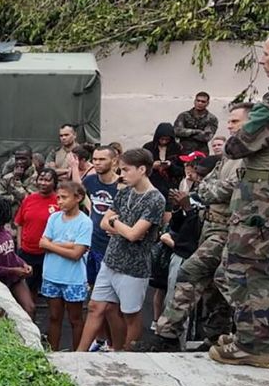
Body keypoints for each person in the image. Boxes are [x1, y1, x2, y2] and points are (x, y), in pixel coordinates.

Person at [147, 104, 251, 352]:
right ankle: (216, 337)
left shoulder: (253, 156)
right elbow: (211, 182)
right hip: (210, 225)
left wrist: (205, 191)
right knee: (214, 287)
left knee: (192, 272)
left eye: (235, 121)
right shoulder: (230, 153)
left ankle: (167, 336)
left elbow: (226, 188)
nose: (229, 125)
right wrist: (206, 190)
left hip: (231, 229)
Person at [209, 35, 269, 368]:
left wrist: (238, 133)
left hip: (260, 203)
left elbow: (237, 147)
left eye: (266, 53)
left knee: (246, 269)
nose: (262, 60)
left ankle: (254, 345)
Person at [78, 148, 166, 353]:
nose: (122, 175)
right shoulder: (124, 192)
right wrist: (122, 227)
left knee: (130, 314)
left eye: (126, 170)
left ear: (142, 169)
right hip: (111, 260)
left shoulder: (155, 199)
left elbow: (134, 234)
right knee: (96, 307)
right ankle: (80, 355)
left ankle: (127, 355)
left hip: (134, 268)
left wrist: (117, 223)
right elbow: (104, 223)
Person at [39, 181, 93, 351]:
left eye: (64, 197)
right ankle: (53, 352)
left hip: (73, 279)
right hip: (51, 276)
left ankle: (77, 354)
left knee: (75, 319)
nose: (59, 201)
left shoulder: (84, 222)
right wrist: (69, 245)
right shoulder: (54, 217)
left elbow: (77, 254)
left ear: (78, 198)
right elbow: (42, 242)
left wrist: (52, 245)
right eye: (58, 197)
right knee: (54, 317)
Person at [13, 168, 60, 300]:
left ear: (54, 182)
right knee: (26, 289)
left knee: (49, 292)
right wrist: (19, 245)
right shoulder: (29, 199)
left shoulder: (59, 201)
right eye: (41, 179)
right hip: (26, 252)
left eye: (47, 180)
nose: (43, 183)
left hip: (48, 254)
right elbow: (20, 223)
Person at [83, 145, 120, 287]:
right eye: (94, 159)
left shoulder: (123, 185)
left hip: (114, 247)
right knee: (93, 288)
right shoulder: (89, 181)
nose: (97, 163)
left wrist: (120, 228)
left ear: (114, 161)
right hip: (93, 244)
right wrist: (90, 209)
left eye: (102, 159)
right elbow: (79, 195)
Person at [144, 122, 184, 203]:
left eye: (167, 139)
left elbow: (182, 170)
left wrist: (170, 165)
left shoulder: (177, 148)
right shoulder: (148, 148)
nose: (164, 141)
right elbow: (141, 167)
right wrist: (152, 166)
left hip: (170, 186)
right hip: (152, 185)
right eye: (162, 139)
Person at [174, 91, 219, 156]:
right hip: (183, 151)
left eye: (203, 102)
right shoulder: (183, 116)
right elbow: (177, 131)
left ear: (207, 103)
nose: (200, 103)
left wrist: (186, 133)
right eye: (198, 100)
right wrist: (196, 131)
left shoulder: (211, 119)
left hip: (201, 152)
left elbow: (206, 137)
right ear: (194, 101)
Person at [0, 147, 39, 211]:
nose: (19, 162)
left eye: (23, 159)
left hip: (28, 213)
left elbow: (28, 200)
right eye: (17, 159)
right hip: (9, 214)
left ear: (31, 159)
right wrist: (14, 198)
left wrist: (16, 180)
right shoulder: (7, 176)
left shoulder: (37, 177)